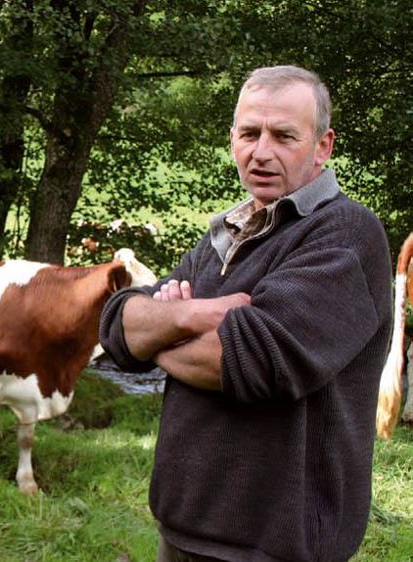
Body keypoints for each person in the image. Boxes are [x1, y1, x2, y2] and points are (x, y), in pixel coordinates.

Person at [99, 65, 393, 561]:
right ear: (232, 138)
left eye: (283, 136)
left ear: (323, 146)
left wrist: (163, 329)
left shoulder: (345, 234)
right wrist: (202, 316)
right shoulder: (225, 234)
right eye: (249, 133)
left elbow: (246, 360)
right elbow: (116, 328)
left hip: (275, 545)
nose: (261, 152)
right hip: (182, 528)